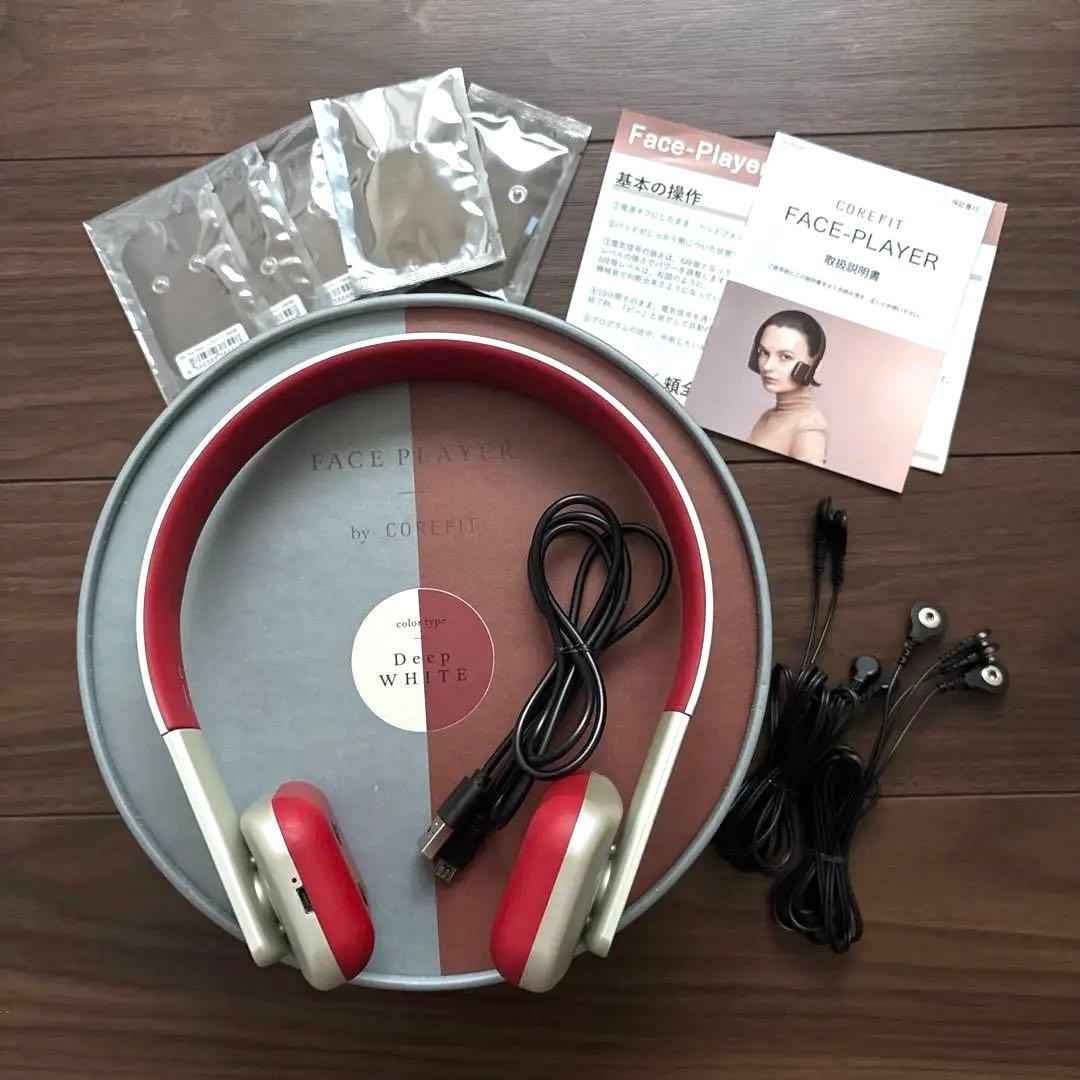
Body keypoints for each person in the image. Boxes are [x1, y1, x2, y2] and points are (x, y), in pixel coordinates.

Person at [745, 310, 828, 466]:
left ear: (815, 366)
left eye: (785, 356)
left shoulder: (809, 428)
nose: (767, 366)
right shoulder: (768, 416)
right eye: (764, 353)